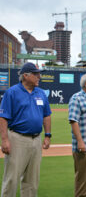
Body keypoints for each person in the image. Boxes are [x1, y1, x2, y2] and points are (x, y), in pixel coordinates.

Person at [0, 62, 52, 197]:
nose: (39, 76)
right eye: (36, 74)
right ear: (25, 76)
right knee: (11, 178)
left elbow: (46, 115)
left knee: (32, 181)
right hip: (17, 138)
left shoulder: (41, 93)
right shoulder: (12, 92)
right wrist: (4, 140)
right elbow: (3, 117)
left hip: (36, 139)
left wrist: (47, 135)